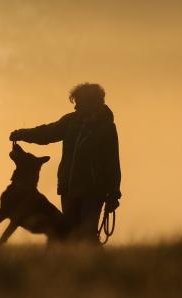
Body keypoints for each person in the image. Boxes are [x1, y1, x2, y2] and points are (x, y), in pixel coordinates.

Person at [9, 83, 121, 244]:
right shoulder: (70, 122)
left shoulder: (106, 128)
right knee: (70, 234)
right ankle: (80, 265)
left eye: (79, 102)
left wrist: (114, 194)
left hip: (93, 191)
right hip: (68, 189)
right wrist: (22, 134)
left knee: (87, 234)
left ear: (91, 102)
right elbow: (47, 133)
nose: (76, 107)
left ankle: (96, 265)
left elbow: (112, 161)